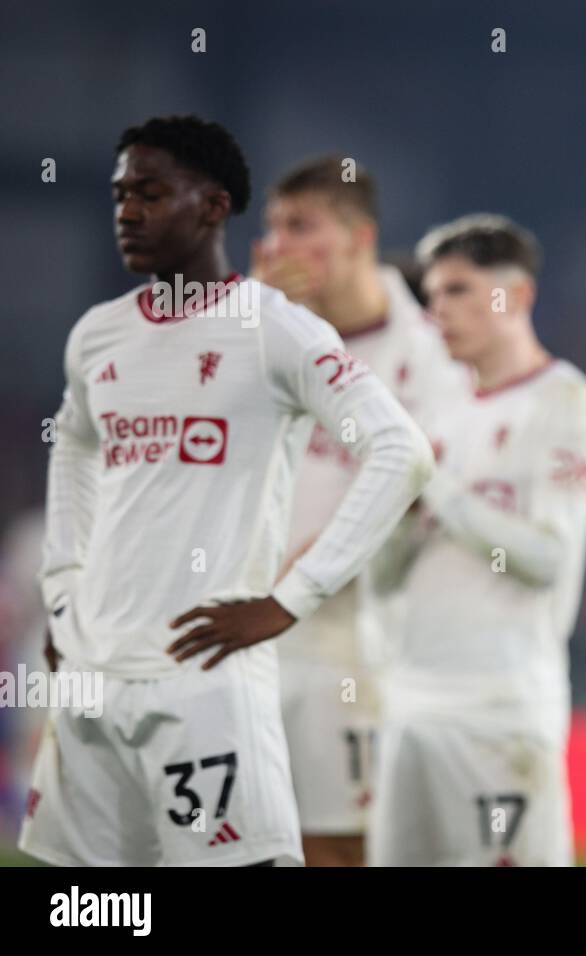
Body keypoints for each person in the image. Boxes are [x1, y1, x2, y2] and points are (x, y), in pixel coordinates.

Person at [19, 116, 433, 866]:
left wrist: (288, 598)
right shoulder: (97, 336)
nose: (127, 212)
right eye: (119, 195)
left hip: (205, 679)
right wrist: (61, 591)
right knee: (89, 909)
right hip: (93, 674)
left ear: (212, 206)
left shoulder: (276, 329)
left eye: (150, 193)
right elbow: (73, 449)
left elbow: (401, 451)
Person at [360, 214, 586, 866]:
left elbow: (545, 558)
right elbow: (385, 578)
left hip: (499, 715)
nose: (436, 309)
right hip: (410, 705)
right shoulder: (434, 413)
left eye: (457, 291)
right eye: (432, 295)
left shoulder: (566, 405)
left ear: (516, 296)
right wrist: (393, 521)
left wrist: (439, 493)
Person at [256, 155, 461, 866]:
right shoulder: (261, 338)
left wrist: (317, 556)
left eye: (301, 226)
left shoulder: (433, 355)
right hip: (239, 642)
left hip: (353, 651)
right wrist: (243, 318)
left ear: (358, 238)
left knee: (340, 850)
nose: (279, 245)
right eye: (272, 227)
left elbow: (428, 497)